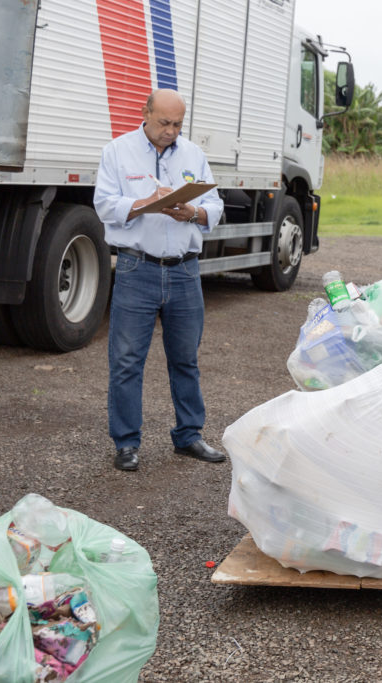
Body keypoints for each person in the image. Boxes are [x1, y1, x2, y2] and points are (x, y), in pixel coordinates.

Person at [94, 89, 226, 471]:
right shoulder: (117, 152)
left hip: (185, 270)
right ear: (145, 113)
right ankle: (126, 443)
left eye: (178, 124)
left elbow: (214, 205)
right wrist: (144, 203)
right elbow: (103, 203)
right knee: (126, 361)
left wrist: (193, 212)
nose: (171, 131)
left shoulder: (193, 155)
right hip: (138, 269)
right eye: (164, 123)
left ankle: (189, 436)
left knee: (185, 359)